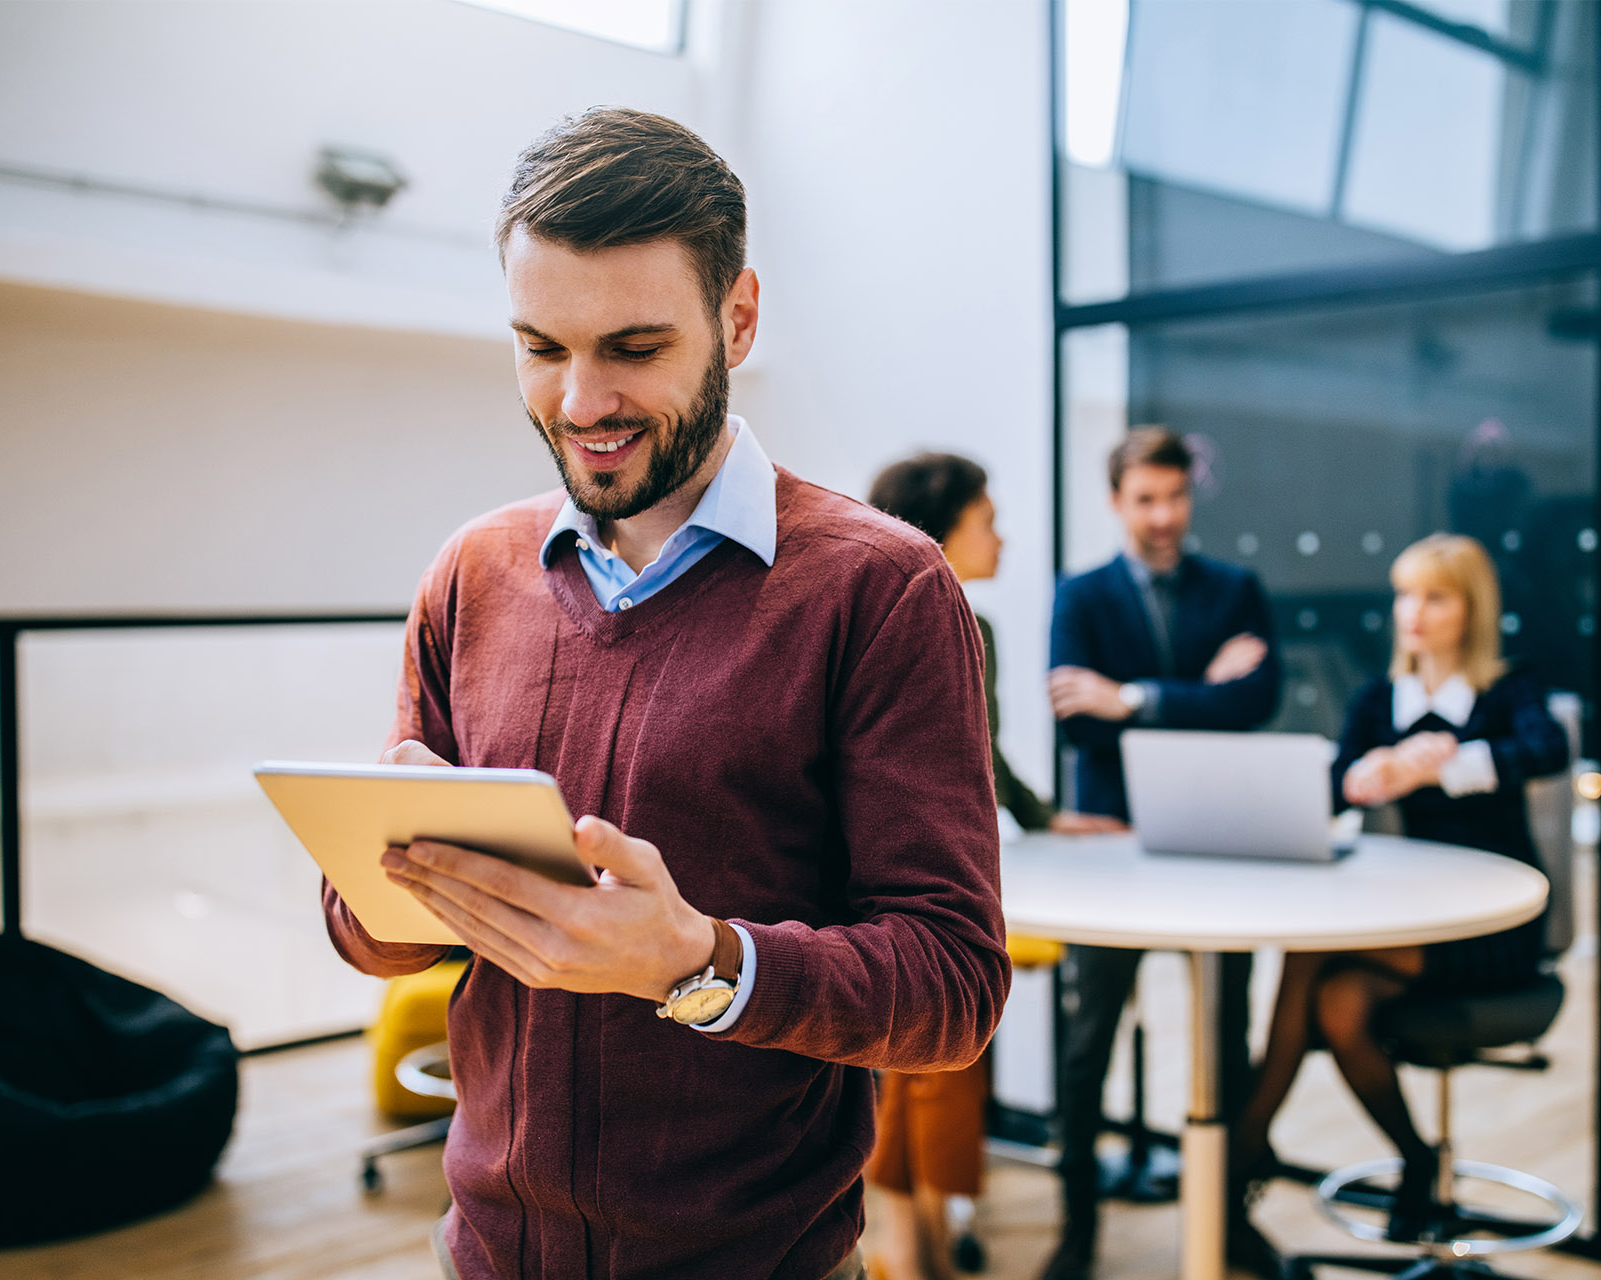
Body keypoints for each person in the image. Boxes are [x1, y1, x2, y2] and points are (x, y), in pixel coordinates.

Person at [320, 108, 1010, 1280]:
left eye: (633, 347)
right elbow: (371, 935)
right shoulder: (471, 574)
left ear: (737, 317)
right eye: (541, 346)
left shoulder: (881, 589)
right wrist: (384, 880)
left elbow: (949, 983)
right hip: (481, 1255)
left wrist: (693, 960)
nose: (581, 400)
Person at [1230, 533, 1568, 1243]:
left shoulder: (1508, 687)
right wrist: (1363, 777)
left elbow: (1545, 750)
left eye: (1435, 597)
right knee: (1339, 1004)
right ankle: (1415, 1160)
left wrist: (1440, 766)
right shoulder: (1380, 698)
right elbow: (1333, 788)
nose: (1413, 612)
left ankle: (1244, 1145)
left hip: (1491, 924)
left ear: (1471, 610)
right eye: (1406, 595)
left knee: (1305, 955)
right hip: (1418, 914)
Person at [864, 453, 1122, 1280]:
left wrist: (1047, 817)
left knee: (923, 1060)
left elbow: (982, 757)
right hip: (900, 872)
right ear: (941, 529)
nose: (1002, 535)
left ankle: (915, 1242)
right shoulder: (925, 619)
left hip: (908, 865)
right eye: (988, 518)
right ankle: (913, 1247)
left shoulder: (972, 628)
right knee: (931, 1055)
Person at [1041, 426, 1282, 1280]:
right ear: (1116, 502)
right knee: (1087, 1044)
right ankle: (1076, 1229)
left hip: (1218, 847)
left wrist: (1134, 697)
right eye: (1145, 499)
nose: (1163, 515)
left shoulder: (1237, 588)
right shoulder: (1081, 596)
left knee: (1228, 1038)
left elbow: (1258, 700)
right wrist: (1201, 693)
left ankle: (1233, 1219)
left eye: (1175, 497)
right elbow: (1074, 711)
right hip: (1112, 848)